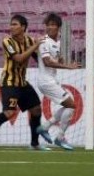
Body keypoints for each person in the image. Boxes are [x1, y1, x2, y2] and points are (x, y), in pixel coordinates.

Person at [0, 14, 52, 152]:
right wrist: (35, 45)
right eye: (11, 24)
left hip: (22, 82)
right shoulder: (7, 41)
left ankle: (34, 143)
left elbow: (40, 58)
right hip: (9, 82)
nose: (11, 27)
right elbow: (19, 59)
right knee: (9, 112)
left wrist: (51, 56)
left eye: (15, 24)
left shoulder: (29, 41)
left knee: (36, 110)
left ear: (23, 27)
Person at [36, 13, 80, 151]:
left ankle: (44, 127)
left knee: (69, 105)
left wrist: (63, 61)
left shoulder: (59, 42)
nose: (50, 27)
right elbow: (47, 62)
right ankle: (59, 137)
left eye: (53, 25)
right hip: (45, 81)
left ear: (59, 27)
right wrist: (68, 67)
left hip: (52, 80)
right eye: (48, 25)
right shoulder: (43, 41)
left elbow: (56, 59)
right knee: (71, 105)